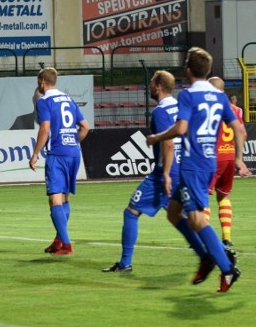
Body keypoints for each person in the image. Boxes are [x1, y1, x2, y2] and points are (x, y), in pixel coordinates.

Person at [146, 47, 250, 292]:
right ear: (208, 70)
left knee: (196, 219)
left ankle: (226, 267)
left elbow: (181, 129)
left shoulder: (188, 95)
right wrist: (239, 159)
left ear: (188, 69)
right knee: (173, 212)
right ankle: (206, 257)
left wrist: (156, 137)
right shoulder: (220, 97)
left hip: (194, 165)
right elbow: (241, 131)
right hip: (208, 161)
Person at [103, 70, 180, 273]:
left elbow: (169, 144)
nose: (149, 87)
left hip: (165, 173)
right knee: (189, 219)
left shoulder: (161, 112)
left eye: (152, 83)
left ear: (159, 86)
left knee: (131, 211)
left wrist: (165, 174)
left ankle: (125, 263)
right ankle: (219, 255)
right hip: (184, 169)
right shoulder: (180, 107)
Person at [29, 67, 90, 256]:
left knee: (54, 197)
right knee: (63, 197)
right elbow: (85, 128)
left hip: (57, 154)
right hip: (74, 153)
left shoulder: (43, 101)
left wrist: (35, 154)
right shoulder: (69, 100)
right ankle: (58, 240)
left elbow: (45, 129)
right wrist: (71, 142)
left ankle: (67, 245)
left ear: (41, 82)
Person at [205, 76, 244, 249]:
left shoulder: (210, 107)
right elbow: (242, 133)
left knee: (202, 196)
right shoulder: (236, 110)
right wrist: (239, 158)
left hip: (214, 158)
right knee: (224, 197)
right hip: (229, 157)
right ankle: (227, 237)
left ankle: (202, 237)